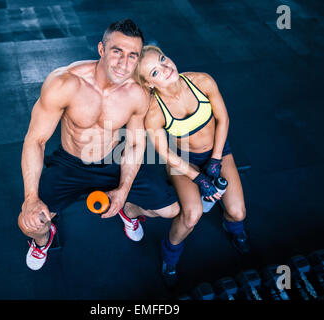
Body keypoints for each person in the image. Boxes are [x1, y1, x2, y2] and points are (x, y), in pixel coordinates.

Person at [17, 20, 180, 271]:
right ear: (102, 50)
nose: (124, 64)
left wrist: (124, 190)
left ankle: (130, 211)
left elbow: (136, 144)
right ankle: (43, 241)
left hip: (112, 159)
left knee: (170, 210)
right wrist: (31, 198)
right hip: (70, 163)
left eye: (132, 56)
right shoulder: (65, 83)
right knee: (29, 223)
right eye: (117, 52)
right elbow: (35, 140)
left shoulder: (137, 93)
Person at [135, 45, 250, 287]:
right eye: (155, 72)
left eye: (163, 59)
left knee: (238, 213)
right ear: (149, 84)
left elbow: (223, 119)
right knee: (191, 215)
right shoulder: (154, 112)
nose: (166, 69)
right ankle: (170, 256)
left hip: (218, 151)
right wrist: (198, 178)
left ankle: (233, 229)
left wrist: (216, 159)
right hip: (182, 161)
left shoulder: (202, 81)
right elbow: (165, 153)